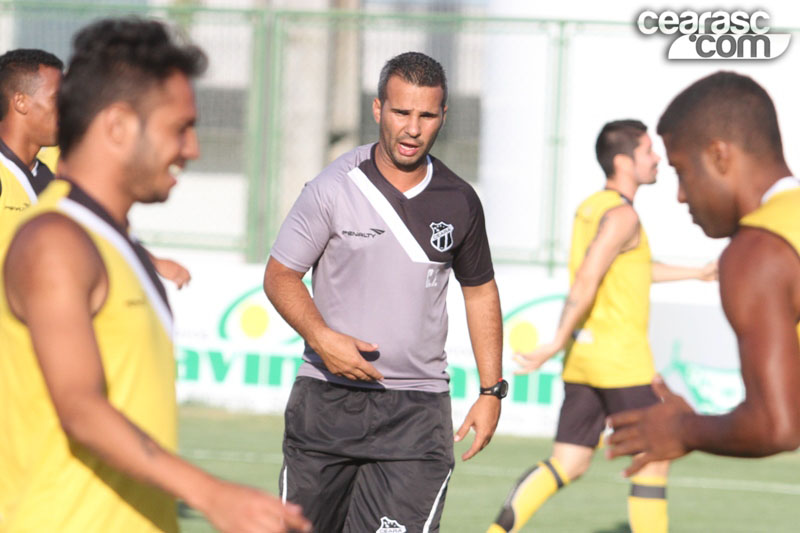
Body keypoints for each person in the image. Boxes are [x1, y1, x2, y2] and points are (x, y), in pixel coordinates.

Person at [0, 18, 310, 533]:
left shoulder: (110, 243)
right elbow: (80, 407)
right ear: (118, 126)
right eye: (178, 127)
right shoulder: (56, 242)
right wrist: (212, 494)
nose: (192, 149)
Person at [264, 51, 504, 532]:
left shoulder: (459, 200)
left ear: (443, 117)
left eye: (426, 115)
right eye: (401, 112)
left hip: (416, 415)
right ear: (378, 110)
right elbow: (280, 276)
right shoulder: (332, 187)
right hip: (328, 401)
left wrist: (491, 390)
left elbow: (480, 292)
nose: (412, 129)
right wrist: (322, 337)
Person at [487, 120, 717, 533]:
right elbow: (588, 277)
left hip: (585, 359)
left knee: (568, 462)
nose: (657, 159)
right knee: (654, 458)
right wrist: (553, 340)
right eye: (648, 151)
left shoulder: (591, 207)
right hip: (620, 362)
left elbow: (629, 268)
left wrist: (697, 273)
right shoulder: (624, 215)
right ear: (624, 161)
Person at [607, 72, 800, 475]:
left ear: (719, 156)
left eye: (681, 170)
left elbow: (778, 426)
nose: (680, 195)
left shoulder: (758, 252)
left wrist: (681, 429)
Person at [0, 47, 190, 288]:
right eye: (57, 99)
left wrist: (151, 261)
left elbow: (92, 226)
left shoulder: (51, 174)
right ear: (21, 102)